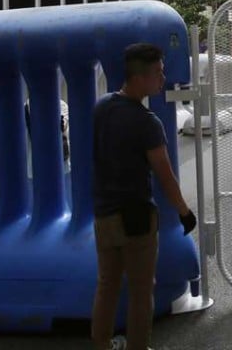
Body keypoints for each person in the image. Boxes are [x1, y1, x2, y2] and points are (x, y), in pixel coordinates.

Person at [91, 43, 197, 350]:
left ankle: (101, 344)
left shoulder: (102, 107)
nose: (163, 79)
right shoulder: (147, 122)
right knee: (141, 290)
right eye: (158, 73)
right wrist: (184, 212)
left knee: (107, 285)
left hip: (103, 213)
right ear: (140, 78)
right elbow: (164, 174)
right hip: (136, 217)